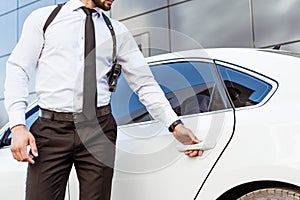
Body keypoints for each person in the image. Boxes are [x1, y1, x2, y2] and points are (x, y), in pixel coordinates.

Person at [4, 0, 203, 199]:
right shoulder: (45, 19)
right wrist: (18, 125)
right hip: (51, 130)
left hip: (99, 130)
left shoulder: (117, 31)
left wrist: (174, 124)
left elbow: (144, 83)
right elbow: (18, 69)